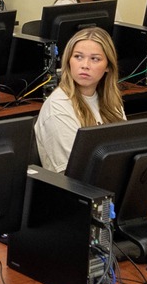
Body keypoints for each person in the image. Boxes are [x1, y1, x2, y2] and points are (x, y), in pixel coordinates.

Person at [34, 26, 126, 173]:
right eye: (78, 57)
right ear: (68, 61)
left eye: (95, 59)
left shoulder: (112, 102)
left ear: (108, 66)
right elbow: (72, 173)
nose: (85, 65)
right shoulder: (58, 106)